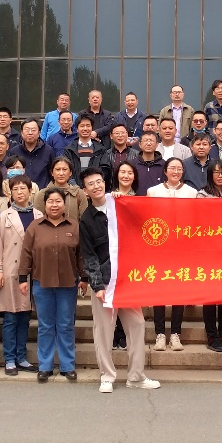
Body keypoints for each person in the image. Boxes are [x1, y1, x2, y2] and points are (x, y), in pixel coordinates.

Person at [79, 168, 161, 393]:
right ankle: (107, 376)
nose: (96, 186)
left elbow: (143, 221)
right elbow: (89, 256)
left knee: (137, 324)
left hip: (127, 278)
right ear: (85, 191)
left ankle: (136, 376)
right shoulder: (87, 219)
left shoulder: (120, 203)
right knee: (104, 330)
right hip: (105, 282)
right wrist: (97, 285)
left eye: (99, 181)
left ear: (105, 182)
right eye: (91, 184)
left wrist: (124, 199)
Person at [19, 187, 88, 382]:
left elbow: (81, 255)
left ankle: (68, 366)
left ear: (64, 204)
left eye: (58, 201)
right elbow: (26, 253)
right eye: (51, 201)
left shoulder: (74, 226)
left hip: (68, 283)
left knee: (65, 325)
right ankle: (45, 366)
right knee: (45, 326)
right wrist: (22, 278)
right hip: (42, 282)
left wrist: (84, 278)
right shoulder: (35, 227)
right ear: (45, 204)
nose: (54, 205)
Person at [0, 174, 42, 375]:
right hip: (10, 271)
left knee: (25, 317)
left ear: (30, 191)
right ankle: (10, 359)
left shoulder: (39, 215)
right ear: (10, 193)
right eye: (15, 189)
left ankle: (21, 357)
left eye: (23, 188)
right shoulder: (4, 216)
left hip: (33, 272)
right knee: (11, 317)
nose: (19, 192)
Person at [147, 158, 196, 350]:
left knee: (178, 291)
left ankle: (175, 334)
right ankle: (160, 333)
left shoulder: (191, 193)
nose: (176, 171)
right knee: (159, 291)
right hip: (158, 248)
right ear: (165, 171)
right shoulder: (153, 191)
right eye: (172, 168)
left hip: (182, 249)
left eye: (179, 169)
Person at [195, 161, 222, 351]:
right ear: (210, 174)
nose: (220, 176)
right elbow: (199, 220)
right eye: (216, 172)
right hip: (208, 252)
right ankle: (212, 336)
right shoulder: (201, 195)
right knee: (210, 296)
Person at [64, 114, 111, 184]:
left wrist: (93, 184)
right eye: (82, 126)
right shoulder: (69, 150)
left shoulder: (101, 150)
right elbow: (66, 170)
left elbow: (105, 170)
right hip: (75, 189)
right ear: (77, 129)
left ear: (92, 128)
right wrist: (76, 188)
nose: (85, 129)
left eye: (88, 126)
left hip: (95, 187)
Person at [8, 118, 55, 189]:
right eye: (27, 130)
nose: (30, 133)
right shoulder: (14, 151)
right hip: (20, 191)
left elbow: (53, 173)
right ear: (22, 133)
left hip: (43, 192)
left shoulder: (48, 151)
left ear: (39, 133)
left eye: (33, 130)